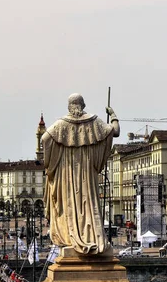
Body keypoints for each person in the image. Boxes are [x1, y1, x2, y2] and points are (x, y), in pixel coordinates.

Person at [42, 93, 120, 255]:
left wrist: (50, 162)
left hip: (66, 174)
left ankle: (71, 238)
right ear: (83, 105)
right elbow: (115, 131)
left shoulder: (61, 124)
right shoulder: (95, 122)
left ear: (69, 106)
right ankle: (92, 236)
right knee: (88, 202)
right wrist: (113, 115)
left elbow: (44, 139)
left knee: (69, 205)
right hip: (87, 174)